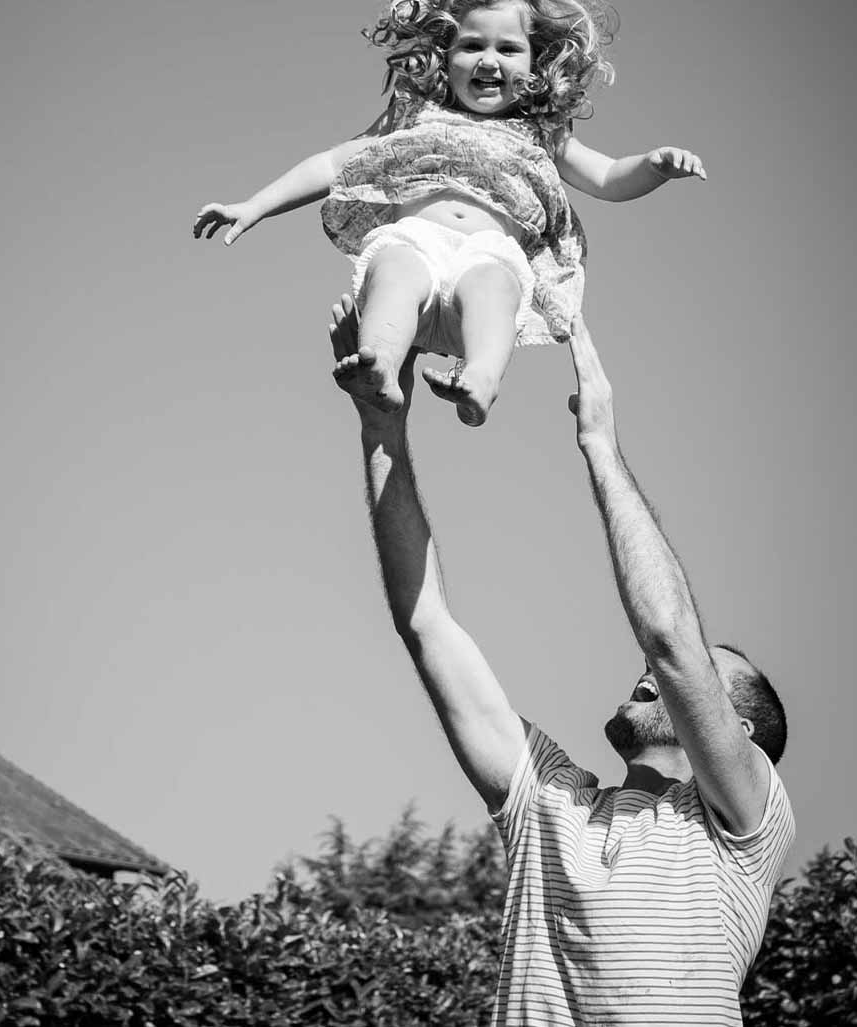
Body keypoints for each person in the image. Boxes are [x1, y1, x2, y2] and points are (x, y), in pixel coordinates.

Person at [329, 296, 794, 1026]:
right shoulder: (550, 800)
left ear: (736, 724)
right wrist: (381, 423)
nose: (654, 664)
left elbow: (670, 637)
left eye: (710, 667)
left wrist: (601, 447)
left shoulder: (745, 820)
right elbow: (427, 624)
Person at [194, 0, 705, 427]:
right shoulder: (416, 117)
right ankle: (382, 371)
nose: (489, 60)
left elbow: (607, 177)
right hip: (416, 240)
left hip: (488, 253)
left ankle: (479, 380)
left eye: (508, 48)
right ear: (445, 53)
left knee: (494, 286)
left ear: (536, 64)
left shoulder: (541, 132)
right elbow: (331, 163)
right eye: (471, 46)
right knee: (393, 273)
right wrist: (253, 206)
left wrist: (655, 166)